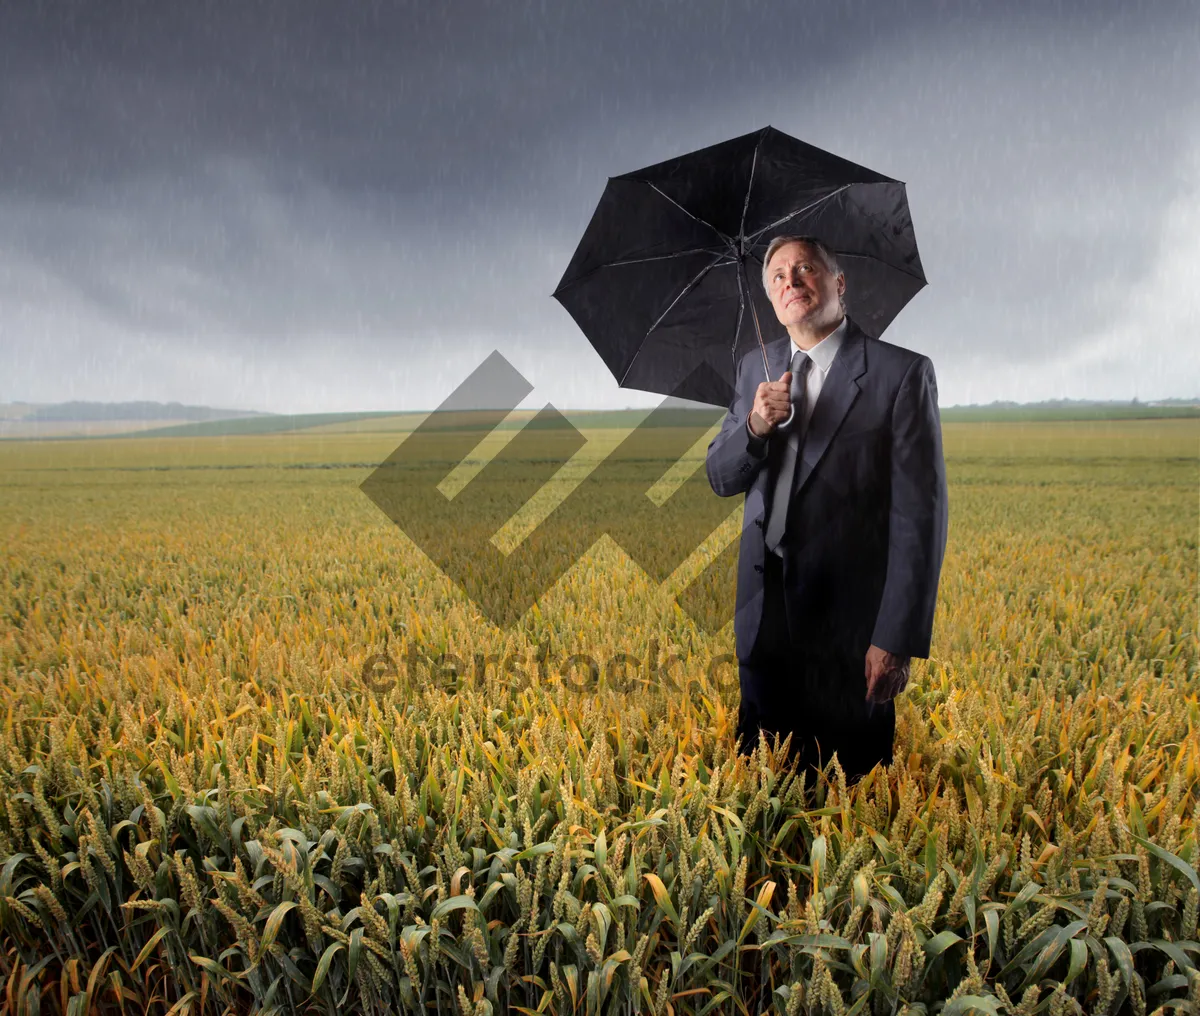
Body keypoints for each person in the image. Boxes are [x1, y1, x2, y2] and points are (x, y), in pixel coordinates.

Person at [705, 235, 948, 781]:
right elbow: (720, 477)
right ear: (771, 301)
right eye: (777, 277)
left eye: (805, 269)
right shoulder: (753, 371)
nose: (790, 281)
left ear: (838, 284)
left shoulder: (900, 374)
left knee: (850, 796)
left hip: (851, 631)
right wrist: (755, 427)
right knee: (764, 788)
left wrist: (895, 638)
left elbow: (920, 517)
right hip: (762, 617)